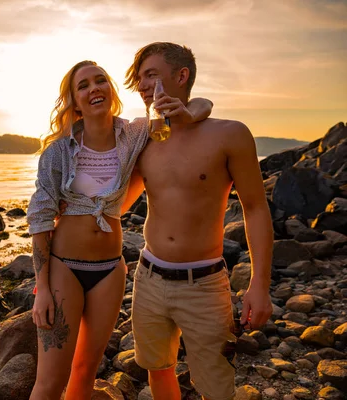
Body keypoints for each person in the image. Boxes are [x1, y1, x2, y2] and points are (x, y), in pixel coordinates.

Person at [26, 60, 213, 400]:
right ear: (75, 101)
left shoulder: (135, 134)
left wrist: (185, 108)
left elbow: (201, 107)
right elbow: (40, 219)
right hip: (64, 268)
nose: (94, 88)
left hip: (110, 271)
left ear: (110, 91)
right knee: (50, 382)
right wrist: (42, 287)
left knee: (85, 372)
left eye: (100, 81)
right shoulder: (58, 151)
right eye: (83, 85)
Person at [123, 42, 274, 400]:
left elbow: (255, 208)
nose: (143, 85)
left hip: (204, 285)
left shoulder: (229, 134)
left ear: (182, 75)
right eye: (139, 78)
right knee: (157, 369)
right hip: (148, 278)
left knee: (217, 387)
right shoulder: (142, 135)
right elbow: (115, 202)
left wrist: (259, 285)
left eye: (151, 75)